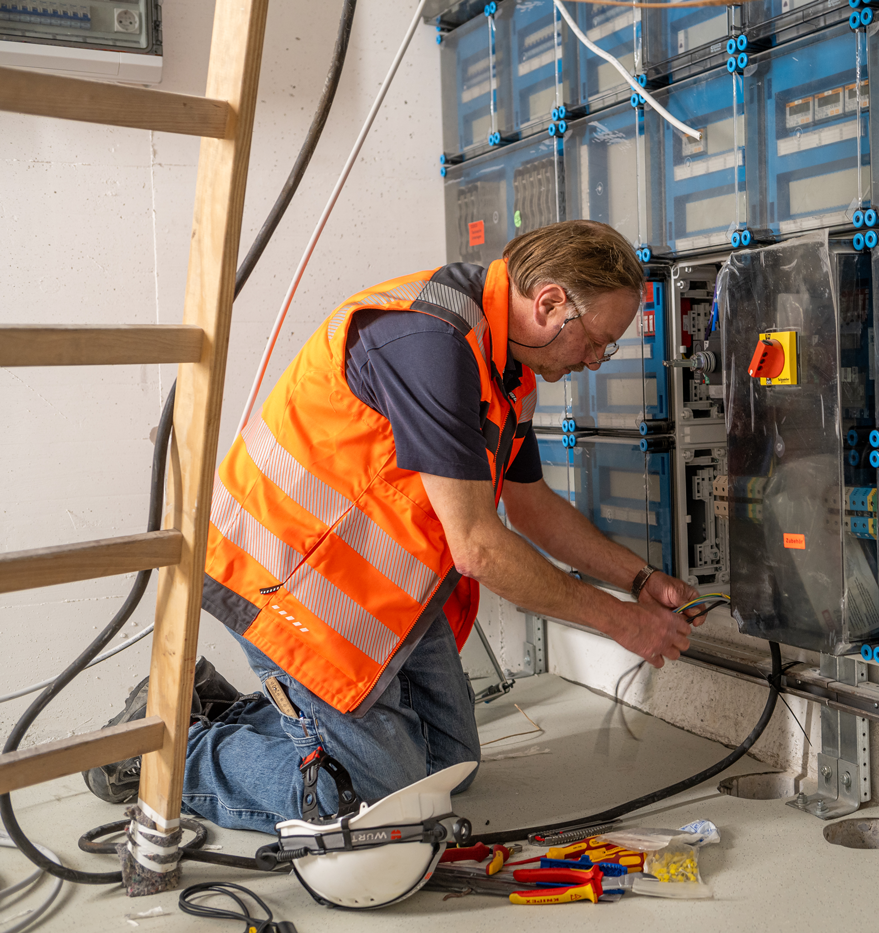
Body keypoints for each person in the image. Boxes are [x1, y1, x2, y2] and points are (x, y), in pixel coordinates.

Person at [85, 220, 704, 833]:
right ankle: (157, 755)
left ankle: (208, 708)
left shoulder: (507, 372)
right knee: (376, 794)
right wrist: (623, 623)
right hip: (281, 572)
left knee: (450, 764)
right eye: (597, 341)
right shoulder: (430, 342)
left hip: (366, 592)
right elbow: (480, 550)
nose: (596, 361)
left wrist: (640, 578)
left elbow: (531, 506)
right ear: (548, 304)